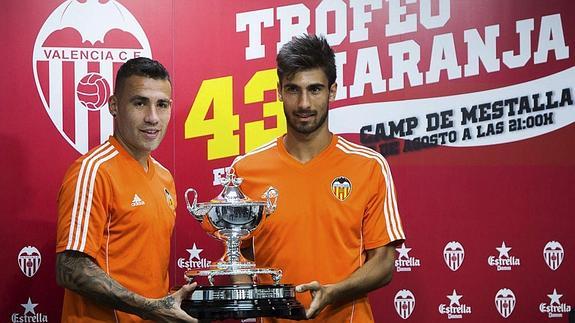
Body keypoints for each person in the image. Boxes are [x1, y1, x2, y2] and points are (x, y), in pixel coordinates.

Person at [231, 34, 406, 322]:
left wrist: (333, 292)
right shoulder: (246, 169)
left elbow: (384, 263)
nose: (303, 103)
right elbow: (239, 254)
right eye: (293, 89)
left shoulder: (369, 166)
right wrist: (247, 300)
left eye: (314, 89)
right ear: (278, 91)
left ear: (332, 91)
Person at [55, 57, 197, 323]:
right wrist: (149, 307)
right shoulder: (93, 171)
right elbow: (70, 268)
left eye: (161, 105)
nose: (152, 117)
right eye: (140, 102)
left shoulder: (164, 177)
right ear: (114, 106)